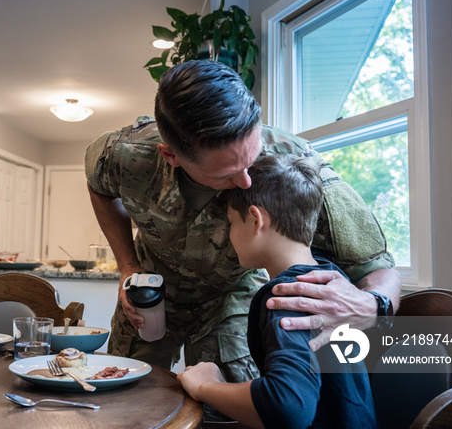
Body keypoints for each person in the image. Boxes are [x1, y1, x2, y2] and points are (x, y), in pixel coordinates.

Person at [84, 59, 399, 383]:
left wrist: (373, 306)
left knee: (228, 408)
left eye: (253, 157)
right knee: (122, 389)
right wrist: (127, 266)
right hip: (151, 290)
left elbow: (378, 267)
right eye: (227, 174)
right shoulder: (126, 154)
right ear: (172, 157)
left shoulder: (295, 165)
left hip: (232, 295)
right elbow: (98, 187)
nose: (247, 181)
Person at [177, 154, 377, 429]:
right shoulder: (333, 282)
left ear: (255, 219)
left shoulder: (287, 296)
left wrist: (206, 386)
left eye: (232, 222)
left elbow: (287, 408)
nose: (229, 234)